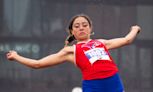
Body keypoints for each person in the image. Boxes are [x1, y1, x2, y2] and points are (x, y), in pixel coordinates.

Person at [6, 14, 141, 92]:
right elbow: (38, 64)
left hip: (114, 83)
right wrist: (16, 56)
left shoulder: (102, 42)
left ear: (90, 28)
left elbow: (127, 40)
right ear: (72, 32)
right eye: (77, 26)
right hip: (93, 86)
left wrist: (135, 29)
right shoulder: (71, 51)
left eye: (84, 25)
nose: (81, 27)